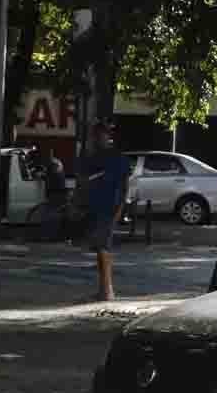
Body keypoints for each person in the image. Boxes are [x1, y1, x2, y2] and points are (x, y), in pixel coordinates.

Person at [84, 122, 130, 301]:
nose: (96, 139)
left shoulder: (115, 158)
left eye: (98, 135)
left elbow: (124, 186)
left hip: (108, 208)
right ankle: (105, 288)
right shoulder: (97, 157)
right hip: (101, 207)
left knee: (103, 247)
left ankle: (107, 290)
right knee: (100, 247)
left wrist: (120, 209)